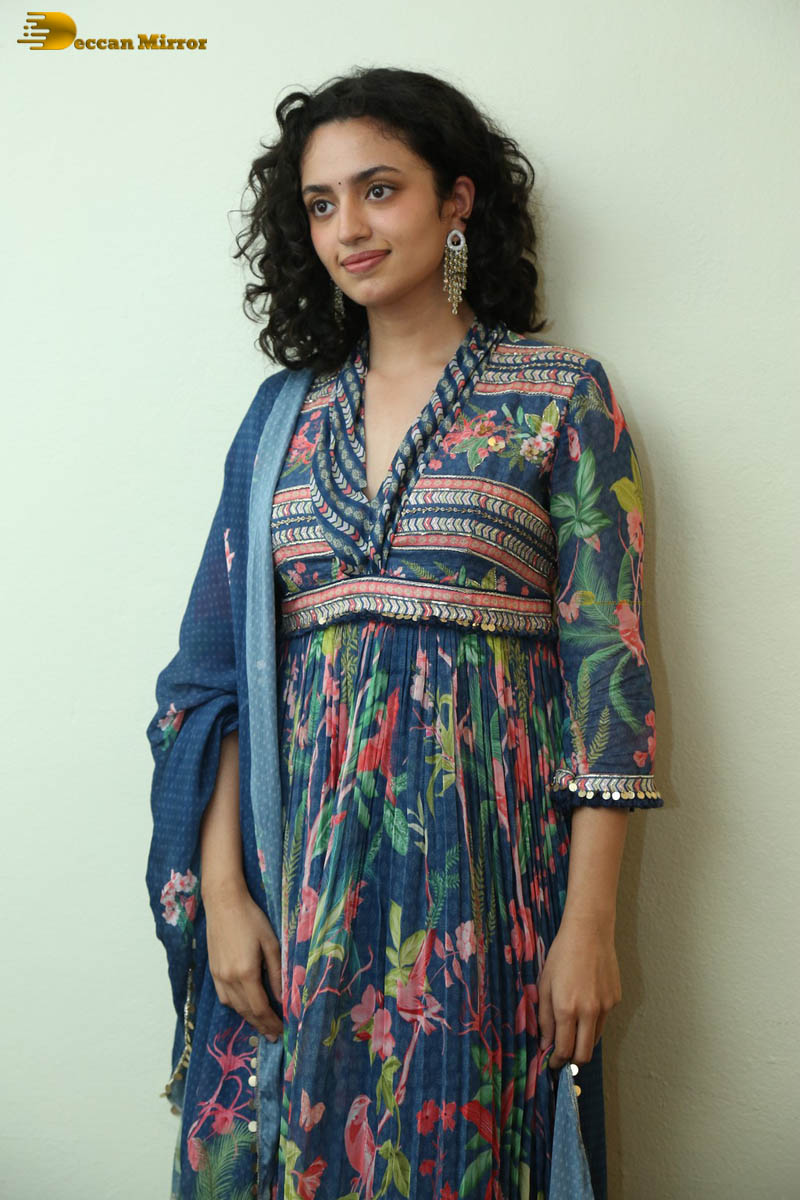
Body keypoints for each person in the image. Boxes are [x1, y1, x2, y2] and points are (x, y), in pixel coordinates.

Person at [146, 65, 663, 1200]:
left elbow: (610, 681)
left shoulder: (560, 396)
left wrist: (588, 926)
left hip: (488, 892)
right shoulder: (281, 419)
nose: (349, 228)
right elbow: (213, 681)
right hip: (302, 889)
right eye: (321, 204)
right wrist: (225, 897)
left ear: (456, 199)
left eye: (378, 190)